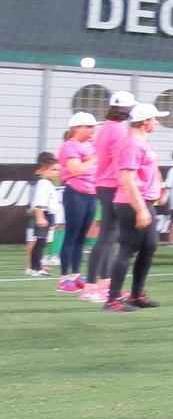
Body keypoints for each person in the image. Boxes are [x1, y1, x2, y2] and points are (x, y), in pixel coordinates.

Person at [104, 102, 170, 312]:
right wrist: (141, 208)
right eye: (154, 119)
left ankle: (136, 295)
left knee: (149, 246)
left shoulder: (139, 141)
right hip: (132, 202)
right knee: (127, 249)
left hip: (141, 201)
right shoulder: (132, 143)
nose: (157, 123)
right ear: (145, 122)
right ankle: (113, 299)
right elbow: (127, 178)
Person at [83, 90, 137, 302]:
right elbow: (119, 162)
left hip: (105, 184)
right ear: (124, 109)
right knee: (107, 237)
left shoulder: (107, 127)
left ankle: (101, 284)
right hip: (112, 185)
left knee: (109, 236)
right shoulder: (118, 131)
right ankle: (91, 286)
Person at [56, 113, 98, 292]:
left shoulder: (92, 145)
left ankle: (75, 274)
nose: (92, 130)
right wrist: (93, 159)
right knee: (72, 235)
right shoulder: (69, 146)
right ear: (76, 128)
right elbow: (76, 170)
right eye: (88, 127)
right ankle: (64, 278)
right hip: (75, 193)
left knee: (82, 236)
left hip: (91, 193)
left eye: (92, 127)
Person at [26, 152, 61, 276]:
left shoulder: (48, 183)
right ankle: (35, 268)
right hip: (44, 215)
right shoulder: (43, 183)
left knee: (41, 242)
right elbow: (39, 202)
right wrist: (40, 217)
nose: (57, 172)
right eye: (54, 170)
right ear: (45, 169)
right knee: (40, 243)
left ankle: (36, 266)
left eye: (58, 170)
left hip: (48, 214)